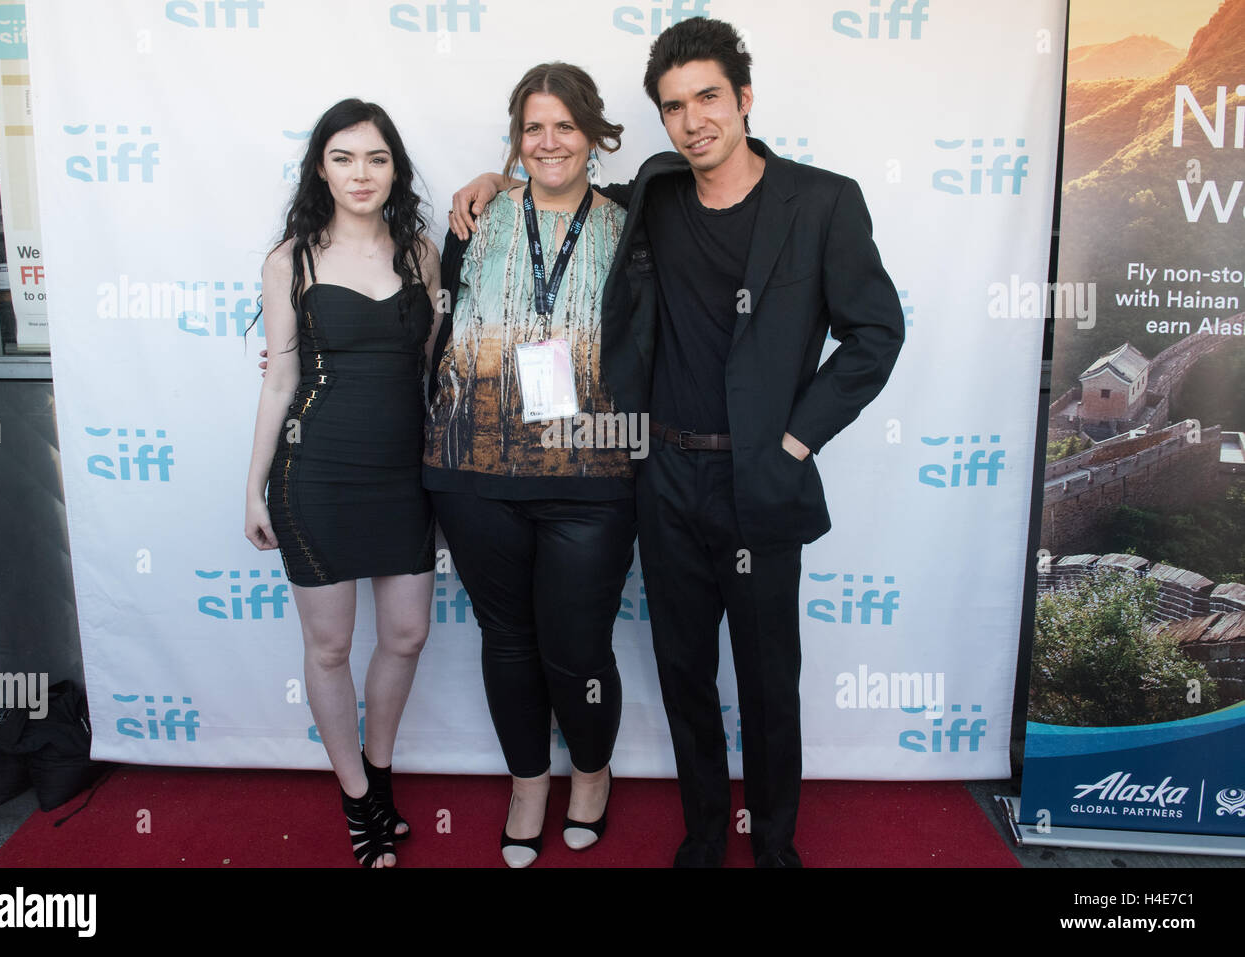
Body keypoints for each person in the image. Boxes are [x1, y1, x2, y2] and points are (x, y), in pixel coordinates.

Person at [451, 18, 905, 867]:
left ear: (743, 98)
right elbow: (565, 183)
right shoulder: (652, 197)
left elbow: (876, 333)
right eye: (673, 106)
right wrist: (494, 177)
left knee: (769, 685)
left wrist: (799, 439)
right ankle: (704, 835)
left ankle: (773, 845)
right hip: (663, 478)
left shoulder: (823, 201)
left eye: (707, 98)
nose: (693, 119)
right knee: (685, 676)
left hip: (763, 479)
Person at [425, 62, 634, 867]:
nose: (549, 142)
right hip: (473, 464)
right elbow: (436, 324)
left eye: (565, 126)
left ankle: (591, 773)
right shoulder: (477, 217)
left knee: (578, 647)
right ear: (516, 138)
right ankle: (527, 783)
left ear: (593, 135)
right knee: (506, 638)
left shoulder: (630, 224)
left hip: (593, 474)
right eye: (532, 127)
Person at [245, 98, 440, 868]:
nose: (361, 173)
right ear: (319, 168)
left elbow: (429, 364)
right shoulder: (288, 260)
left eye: (377, 157)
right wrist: (253, 488)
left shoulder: (421, 252)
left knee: (406, 634)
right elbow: (278, 379)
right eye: (343, 157)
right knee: (329, 648)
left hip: (405, 475)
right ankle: (357, 796)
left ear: (395, 168)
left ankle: (381, 773)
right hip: (315, 473)